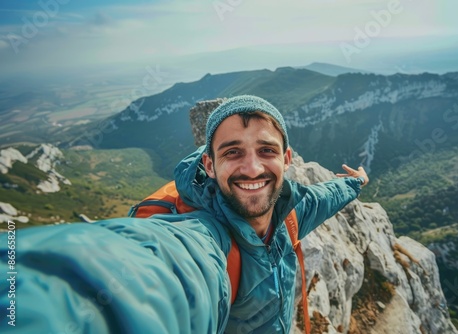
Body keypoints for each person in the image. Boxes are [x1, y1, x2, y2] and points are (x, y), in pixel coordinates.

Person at [0, 95, 367, 334]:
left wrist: (355, 184)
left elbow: (325, 195)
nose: (253, 168)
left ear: (286, 160)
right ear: (209, 164)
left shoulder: (290, 210)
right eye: (233, 152)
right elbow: (162, 266)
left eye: (267, 150)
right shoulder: (206, 238)